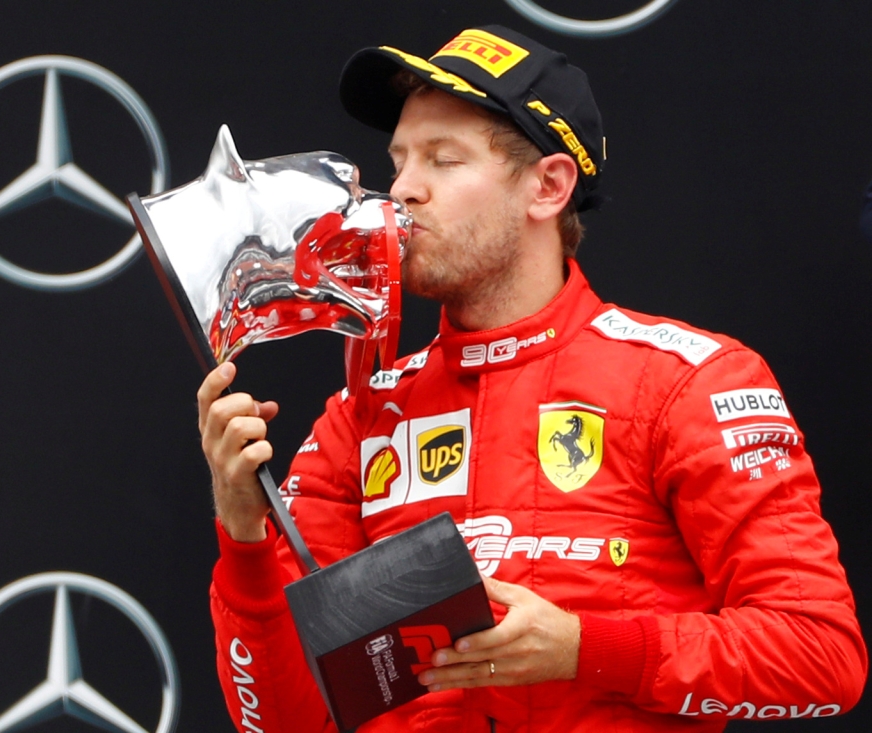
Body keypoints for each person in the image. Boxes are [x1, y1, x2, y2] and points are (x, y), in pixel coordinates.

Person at [199, 25, 866, 732]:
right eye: (398, 161)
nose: (402, 191)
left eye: (443, 160)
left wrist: (586, 648)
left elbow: (821, 656)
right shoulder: (362, 416)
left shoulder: (685, 381)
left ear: (548, 186)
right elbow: (281, 722)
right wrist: (243, 538)